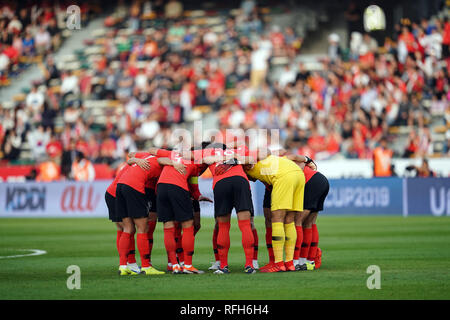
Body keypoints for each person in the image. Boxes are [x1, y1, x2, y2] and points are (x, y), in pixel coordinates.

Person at [115, 151, 185, 275]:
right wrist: (174, 163)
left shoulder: (145, 156)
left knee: (127, 228)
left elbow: (130, 158)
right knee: (143, 228)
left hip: (120, 186)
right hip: (134, 187)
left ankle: (123, 266)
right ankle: (146, 266)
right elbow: (160, 160)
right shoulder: (160, 159)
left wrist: (137, 160)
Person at [197, 143, 257, 274]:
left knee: (223, 226)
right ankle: (249, 265)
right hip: (240, 181)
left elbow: (201, 160)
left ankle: (223, 266)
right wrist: (234, 160)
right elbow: (251, 160)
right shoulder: (237, 150)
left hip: (221, 183)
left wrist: (217, 160)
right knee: (246, 225)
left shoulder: (207, 152)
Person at [153, 146, 210, 274]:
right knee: (188, 224)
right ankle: (188, 265)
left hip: (161, 188)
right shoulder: (195, 165)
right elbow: (194, 188)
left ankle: (174, 265)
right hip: (178, 188)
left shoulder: (173, 156)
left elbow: (159, 159)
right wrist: (198, 196)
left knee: (168, 226)